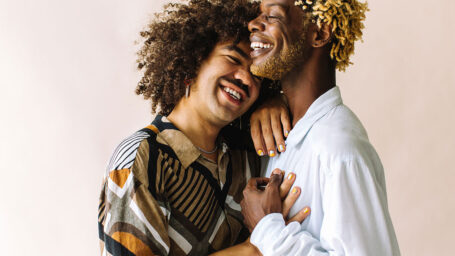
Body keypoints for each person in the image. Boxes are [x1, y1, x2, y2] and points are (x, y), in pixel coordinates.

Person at [97, 0, 308, 255]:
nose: (245, 78)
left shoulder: (245, 149)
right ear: (194, 61)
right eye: (233, 59)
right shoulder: (141, 160)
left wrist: (278, 100)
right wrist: (253, 249)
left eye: (258, 76)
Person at [241, 0, 401, 255]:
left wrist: (267, 229)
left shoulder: (340, 149)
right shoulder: (282, 133)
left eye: (272, 15)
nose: (253, 24)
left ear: (319, 33)